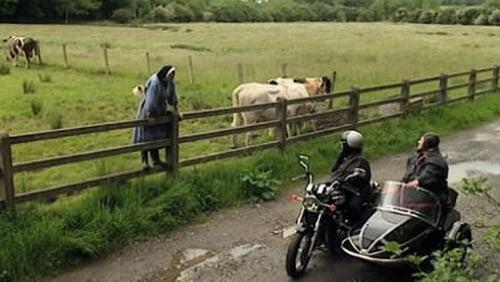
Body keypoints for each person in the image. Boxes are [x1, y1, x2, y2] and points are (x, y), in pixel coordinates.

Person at [133, 65, 179, 169]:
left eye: (173, 75)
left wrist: (176, 110)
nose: (172, 77)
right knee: (146, 136)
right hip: (148, 111)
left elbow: (172, 97)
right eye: (171, 75)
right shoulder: (155, 82)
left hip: (159, 112)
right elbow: (151, 99)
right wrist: (149, 114)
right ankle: (144, 161)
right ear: (166, 74)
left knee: (155, 136)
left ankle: (156, 160)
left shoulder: (169, 83)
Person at [328, 130, 372, 223]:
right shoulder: (345, 158)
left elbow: (362, 178)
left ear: (349, 145)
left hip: (355, 191)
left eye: (343, 144)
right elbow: (334, 171)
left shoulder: (361, 161)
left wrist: (352, 178)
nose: (341, 146)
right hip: (342, 188)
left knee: (353, 207)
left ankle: (353, 227)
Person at [402, 132, 449, 205]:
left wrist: (415, 182)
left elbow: (427, 176)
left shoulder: (436, 162)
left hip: (431, 199)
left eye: (421, 140)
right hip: (415, 195)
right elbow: (408, 175)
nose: (419, 142)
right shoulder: (415, 157)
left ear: (427, 143)